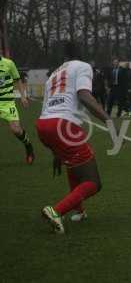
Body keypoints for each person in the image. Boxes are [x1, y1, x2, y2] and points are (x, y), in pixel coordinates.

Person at [36, 41, 111, 234]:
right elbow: (84, 96)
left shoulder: (52, 74)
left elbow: (47, 108)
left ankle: (79, 211)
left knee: (73, 164)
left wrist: (56, 152)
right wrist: (109, 122)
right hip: (63, 125)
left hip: (44, 125)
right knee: (93, 182)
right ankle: (56, 211)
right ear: (81, 54)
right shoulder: (83, 66)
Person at [0, 55, 34, 164]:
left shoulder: (9, 63)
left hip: (7, 103)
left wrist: (23, 96)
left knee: (16, 130)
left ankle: (28, 146)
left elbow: (18, 80)